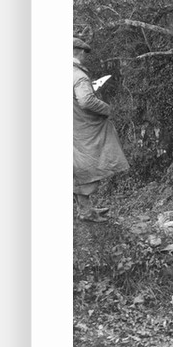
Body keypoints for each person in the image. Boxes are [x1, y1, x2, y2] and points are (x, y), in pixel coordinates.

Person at [73, 37, 129, 222]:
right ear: (79, 52)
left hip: (73, 127)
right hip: (84, 129)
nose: (85, 57)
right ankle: (86, 212)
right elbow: (86, 100)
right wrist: (107, 109)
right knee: (88, 166)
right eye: (84, 53)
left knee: (77, 167)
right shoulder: (78, 75)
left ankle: (85, 208)